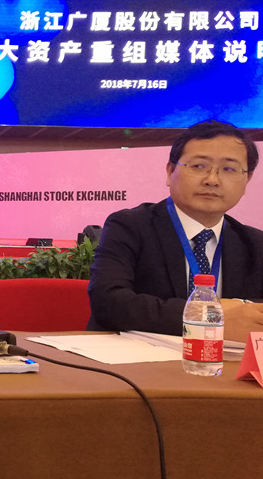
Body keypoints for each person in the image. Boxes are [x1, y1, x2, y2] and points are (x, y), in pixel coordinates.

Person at [88, 120, 263, 343]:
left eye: (228, 169)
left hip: (225, 360)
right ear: (170, 172)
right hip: (134, 358)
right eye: (199, 166)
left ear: (247, 179)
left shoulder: (255, 243)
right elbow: (110, 303)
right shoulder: (129, 226)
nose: (212, 180)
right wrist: (210, 315)